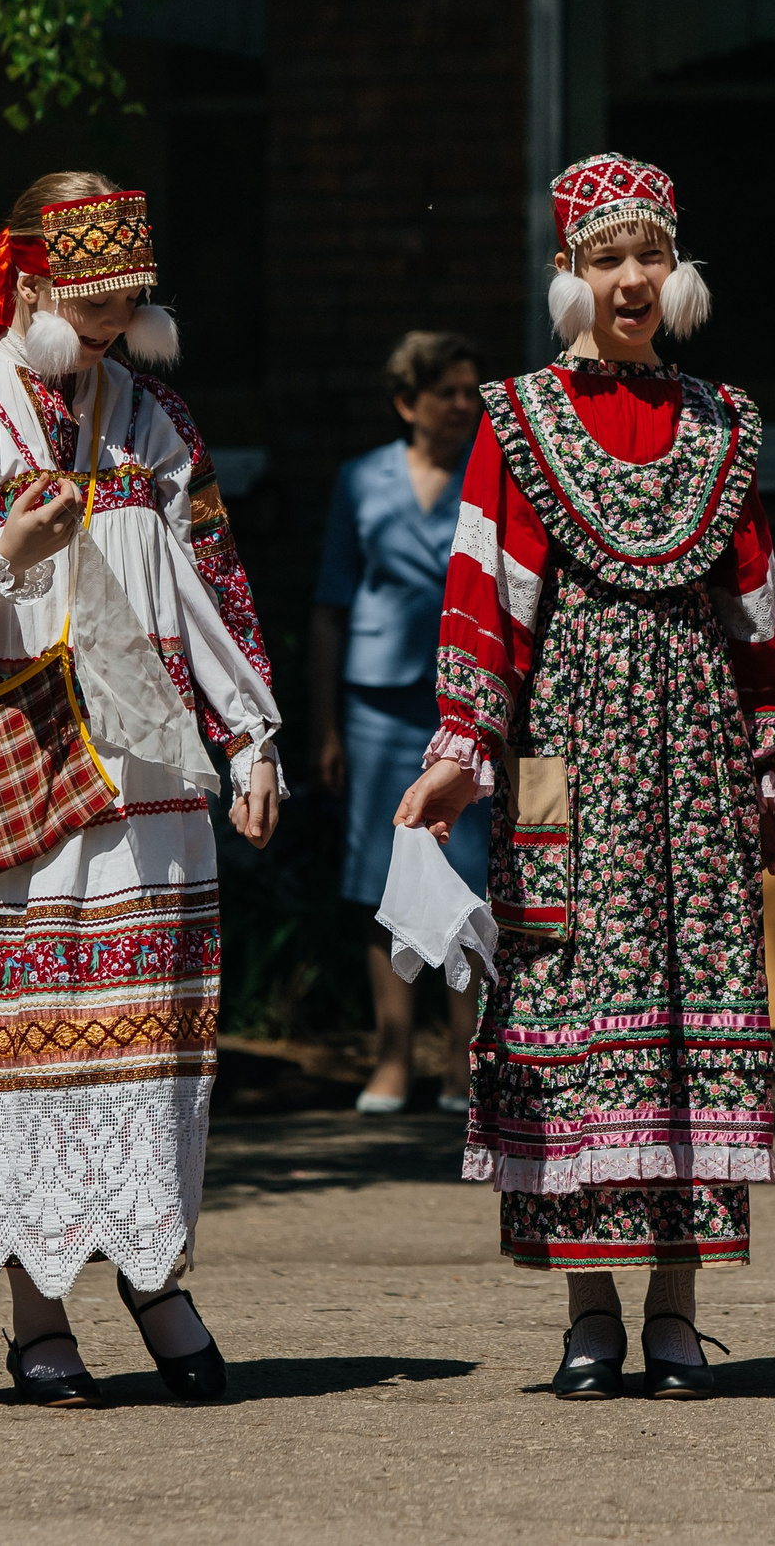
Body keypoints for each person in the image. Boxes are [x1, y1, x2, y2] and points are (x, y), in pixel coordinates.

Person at [0, 172, 283, 1406]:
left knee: (143, 1032)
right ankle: (39, 1311)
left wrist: (251, 737)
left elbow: (215, 582)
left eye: (127, 301)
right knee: (25, 1027)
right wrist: (0, 551)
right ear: (32, 282)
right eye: (92, 300)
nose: (111, 323)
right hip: (10, 756)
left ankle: (155, 1275)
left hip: (145, 767)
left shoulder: (155, 418)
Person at [394, 152, 775, 1400]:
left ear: (675, 271)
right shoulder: (517, 419)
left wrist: (774, 782)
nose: (631, 278)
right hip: (560, 756)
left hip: (693, 753)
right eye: (607, 257)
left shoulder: (723, 422)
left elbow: (756, 612)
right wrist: (462, 754)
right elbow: (486, 598)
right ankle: (588, 1313)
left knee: (687, 1016)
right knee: (566, 1004)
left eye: (650, 255)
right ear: (569, 274)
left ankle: (676, 1312)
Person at [313, 332, 488, 1114]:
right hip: (377, 705)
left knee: (470, 875)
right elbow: (331, 605)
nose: (463, 404)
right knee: (378, 877)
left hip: (464, 701)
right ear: (406, 402)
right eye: (447, 392)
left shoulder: (490, 476)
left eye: (470, 391)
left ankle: (463, 1061)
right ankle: (391, 1059)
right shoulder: (361, 479)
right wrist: (326, 726)